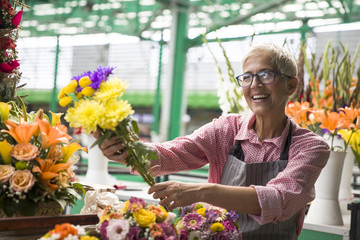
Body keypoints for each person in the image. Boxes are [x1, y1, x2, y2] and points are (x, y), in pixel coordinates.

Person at [95, 42, 330, 239]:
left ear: (291, 84)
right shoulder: (227, 129)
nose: (255, 84)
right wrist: (127, 147)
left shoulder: (310, 147)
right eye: (247, 77)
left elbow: (279, 200)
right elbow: (172, 153)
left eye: (266, 75)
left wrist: (202, 191)